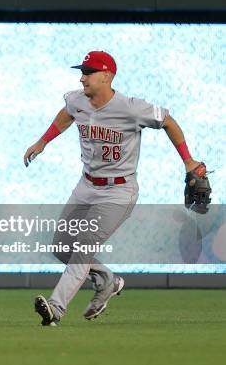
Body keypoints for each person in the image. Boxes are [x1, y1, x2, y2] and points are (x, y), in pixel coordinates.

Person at [23, 51, 204, 326]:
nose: (82, 77)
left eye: (89, 72)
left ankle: (56, 308)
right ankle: (106, 280)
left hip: (118, 191)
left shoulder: (131, 108)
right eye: (82, 71)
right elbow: (66, 114)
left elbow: (167, 121)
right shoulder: (77, 100)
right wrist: (42, 142)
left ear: (107, 76)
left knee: (83, 245)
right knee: (61, 246)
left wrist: (188, 160)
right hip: (86, 185)